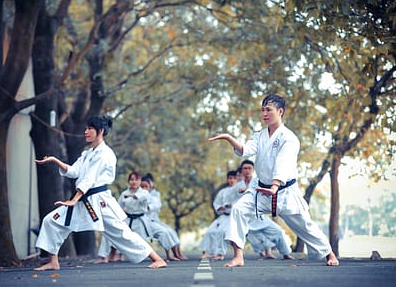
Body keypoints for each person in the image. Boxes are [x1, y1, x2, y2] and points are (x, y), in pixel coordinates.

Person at [208, 93, 339, 267]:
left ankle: (329, 253)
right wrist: (229, 138)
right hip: (261, 191)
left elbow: (283, 163)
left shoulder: (289, 138)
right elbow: (245, 149)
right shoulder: (259, 136)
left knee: (305, 225)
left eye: (268, 110)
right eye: (262, 110)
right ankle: (238, 256)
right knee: (239, 210)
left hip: (285, 192)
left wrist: (275, 185)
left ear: (280, 111)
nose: (264, 114)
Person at [33, 115, 167, 270]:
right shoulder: (88, 153)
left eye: (90, 128)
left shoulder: (105, 154)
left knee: (121, 233)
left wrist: (74, 199)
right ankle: (53, 261)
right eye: (86, 128)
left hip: (99, 201)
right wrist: (55, 160)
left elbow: (89, 179)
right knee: (51, 220)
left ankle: (157, 259)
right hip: (84, 199)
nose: (86, 131)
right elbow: (74, 171)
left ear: (101, 131)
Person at [141, 175, 187, 260]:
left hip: (153, 221)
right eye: (142, 186)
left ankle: (175, 254)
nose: (144, 188)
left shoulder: (154, 196)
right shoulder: (134, 195)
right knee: (165, 232)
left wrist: (148, 206)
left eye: (146, 186)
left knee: (170, 232)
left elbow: (156, 205)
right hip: (140, 221)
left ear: (151, 187)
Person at [199, 170, 237, 260]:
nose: (232, 180)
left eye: (234, 178)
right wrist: (220, 208)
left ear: (237, 179)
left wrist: (232, 205)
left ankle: (220, 254)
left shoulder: (240, 190)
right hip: (223, 216)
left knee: (222, 232)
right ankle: (206, 252)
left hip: (234, 217)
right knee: (210, 231)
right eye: (230, 178)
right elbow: (216, 204)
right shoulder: (223, 192)